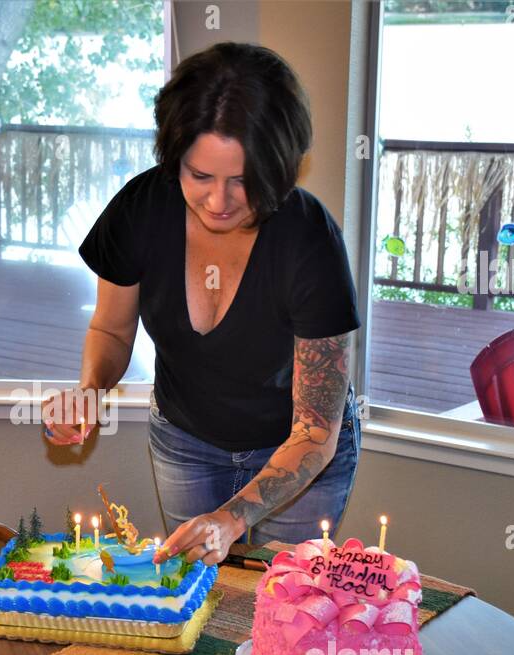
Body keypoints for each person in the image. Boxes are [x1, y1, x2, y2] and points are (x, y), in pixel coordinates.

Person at [43, 42, 362, 567]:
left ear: (281, 167)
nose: (219, 202)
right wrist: (89, 390)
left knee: (287, 607)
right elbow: (113, 332)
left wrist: (234, 518)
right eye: (200, 177)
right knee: (196, 599)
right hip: (185, 439)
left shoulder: (309, 241)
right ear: (175, 161)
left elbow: (315, 431)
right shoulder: (142, 209)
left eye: (243, 181)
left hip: (298, 451)